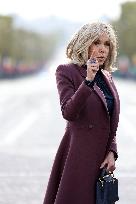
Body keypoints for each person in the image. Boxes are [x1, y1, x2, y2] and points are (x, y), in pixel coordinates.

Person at [43, 22, 120, 204]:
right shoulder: (66, 72)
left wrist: (112, 151)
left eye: (107, 44)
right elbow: (68, 111)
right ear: (84, 44)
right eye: (96, 43)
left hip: (102, 160)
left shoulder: (107, 76)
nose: (102, 49)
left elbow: (108, 120)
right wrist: (88, 81)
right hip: (78, 157)